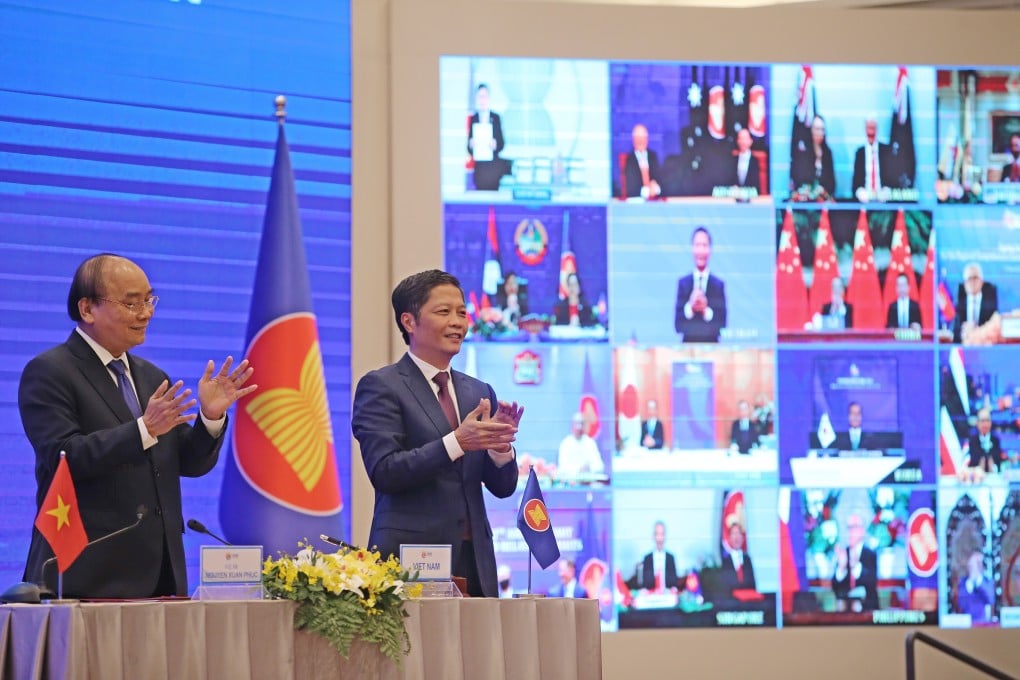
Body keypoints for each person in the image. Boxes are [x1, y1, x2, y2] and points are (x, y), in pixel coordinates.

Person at [19, 253, 257, 598]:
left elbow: (188, 464)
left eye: (149, 300)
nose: (146, 313)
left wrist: (210, 417)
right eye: (132, 304)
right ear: (87, 309)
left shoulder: (149, 375)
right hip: (86, 569)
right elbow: (65, 455)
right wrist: (143, 429)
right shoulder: (51, 371)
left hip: (161, 570)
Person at [351, 270, 522, 597]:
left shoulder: (478, 391)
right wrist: (458, 441)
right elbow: (386, 471)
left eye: (462, 312)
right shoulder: (381, 386)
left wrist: (500, 450)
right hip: (410, 563)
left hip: (475, 563)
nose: (458, 322)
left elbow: (502, 487)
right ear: (409, 322)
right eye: (444, 312)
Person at [674, 226, 727, 343]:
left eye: (704, 245)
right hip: (688, 349)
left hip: (713, 349)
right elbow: (677, 326)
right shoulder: (683, 284)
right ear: (692, 248)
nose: (701, 250)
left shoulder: (718, 285)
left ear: (710, 249)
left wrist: (705, 310)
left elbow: (722, 325)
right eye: (697, 245)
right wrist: (690, 308)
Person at [832, 513, 879, 611]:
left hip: (868, 610)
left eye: (854, 527)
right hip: (845, 611)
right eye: (849, 528)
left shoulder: (870, 554)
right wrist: (841, 568)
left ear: (862, 530)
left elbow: (871, 583)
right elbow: (835, 587)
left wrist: (855, 566)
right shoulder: (844, 553)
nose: (850, 531)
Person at [467, 83, 507, 191]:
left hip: (493, 168)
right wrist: (471, 145)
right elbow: (469, 147)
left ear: (488, 98)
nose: (482, 100)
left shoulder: (495, 118)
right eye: (480, 97)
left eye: (484, 97)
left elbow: (502, 144)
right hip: (480, 167)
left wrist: (495, 145)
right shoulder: (474, 118)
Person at [790, 114, 836, 198]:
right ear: (811, 130)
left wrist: (822, 191)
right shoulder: (803, 153)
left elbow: (832, 184)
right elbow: (799, 180)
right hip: (805, 201)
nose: (820, 133)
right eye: (817, 129)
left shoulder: (827, 153)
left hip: (823, 200)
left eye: (823, 129)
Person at [953, 262, 999, 344]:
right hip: (964, 345)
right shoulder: (959, 303)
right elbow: (955, 331)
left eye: (975, 278)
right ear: (964, 284)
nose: (972, 282)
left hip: (984, 344)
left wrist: (976, 331)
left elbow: (993, 328)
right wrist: (964, 331)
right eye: (969, 279)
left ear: (981, 281)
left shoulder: (989, 302)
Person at [628, 521, 679, 592]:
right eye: (657, 534)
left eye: (662, 534)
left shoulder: (670, 558)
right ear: (653, 536)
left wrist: (674, 589)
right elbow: (644, 583)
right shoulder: (647, 558)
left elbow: (674, 582)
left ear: (665, 536)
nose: (660, 538)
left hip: (667, 595)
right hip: (651, 596)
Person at [852, 117, 892, 202]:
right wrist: (860, 192)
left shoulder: (886, 151)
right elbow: (855, 184)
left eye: (873, 128)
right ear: (865, 129)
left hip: (883, 200)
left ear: (877, 129)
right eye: (869, 128)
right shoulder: (860, 153)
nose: (871, 132)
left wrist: (887, 191)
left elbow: (892, 179)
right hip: (865, 200)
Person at [557, 412, 605, 480]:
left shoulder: (590, 443)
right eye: (576, 424)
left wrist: (589, 468)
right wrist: (578, 469)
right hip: (571, 481)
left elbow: (599, 466)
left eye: (581, 424)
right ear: (572, 426)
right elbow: (562, 467)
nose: (579, 427)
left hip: (589, 481)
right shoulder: (566, 443)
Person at [622, 123, 661, 199]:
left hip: (655, 201)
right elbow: (631, 188)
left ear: (647, 139)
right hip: (637, 202)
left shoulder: (653, 156)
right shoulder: (629, 160)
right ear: (633, 140)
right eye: (638, 138)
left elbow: (660, 180)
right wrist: (647, 192)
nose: (641, 141)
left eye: (643, 138)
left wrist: (656, 188)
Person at [718, 521, 757, 595]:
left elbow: (753, 584)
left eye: (738, 533)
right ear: (729, 538)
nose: (736, 537)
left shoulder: (747, 559)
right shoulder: (725, 561)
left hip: (748, 600)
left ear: (743, 538)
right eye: (734, 534)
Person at [956, 550, 993, 623]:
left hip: (983, 624)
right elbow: (961, 604)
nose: (977, 565)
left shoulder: (987, 581)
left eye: (980, 562)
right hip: (966, 625)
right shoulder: (962, 583)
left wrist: (977, 582)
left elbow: (990, 600)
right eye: (975, 561)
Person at [967, 408, 1004, 473]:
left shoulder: (996, 440)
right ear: (977, 423)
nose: (985, 424)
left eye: (987, 420)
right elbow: (971, 461)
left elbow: (999, 461)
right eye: (982, 421)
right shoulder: (972, 441)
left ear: (991, 422)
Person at [730, 128, 761, 195]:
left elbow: (756, 187)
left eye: (745, 138)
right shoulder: (732, 160)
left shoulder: (755, 161)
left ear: (750, 141)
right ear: (737, 141)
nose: (743, 142)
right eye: (740, 138)